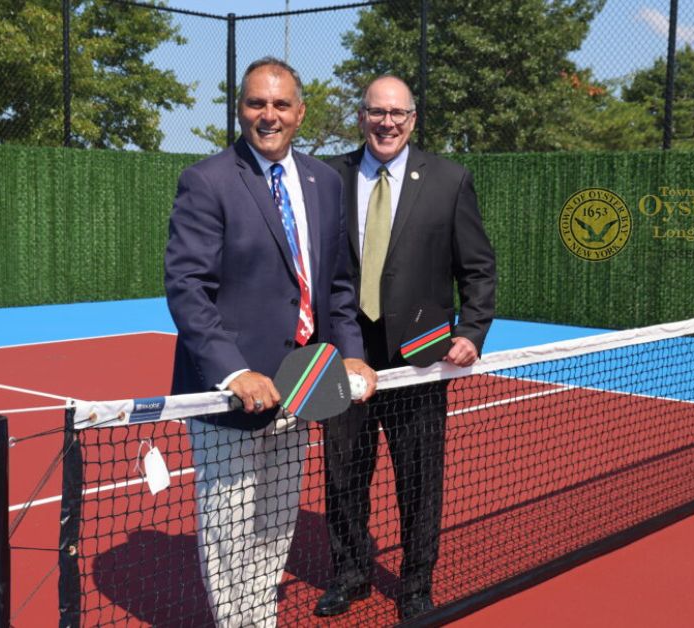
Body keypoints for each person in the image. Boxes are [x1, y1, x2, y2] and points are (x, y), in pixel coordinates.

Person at [164, 57, 377, 628]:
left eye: (281, 105)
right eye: (257, 103)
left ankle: (259, 619)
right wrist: (234, 373)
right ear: (241, 109)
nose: (269, 115)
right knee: (230, 532)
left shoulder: (325, 182)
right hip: (233, 399)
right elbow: (188, 289)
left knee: (276, 523)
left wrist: (351, 352)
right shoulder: (207, 180)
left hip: (303, 385)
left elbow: (337, 284)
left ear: (300, 113)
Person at [315, 75, 497, 620]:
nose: (386, 122)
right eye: (376, 112)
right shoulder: (328, 178)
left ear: (412, 119)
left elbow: (478, 269)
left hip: (421, 355)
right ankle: (349, 572)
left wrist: (472, 330)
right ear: (362, 116)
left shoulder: (449, 180)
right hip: (345, 352)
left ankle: (416, 583)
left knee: (418, 476)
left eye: (397, 113)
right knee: (343, 471)